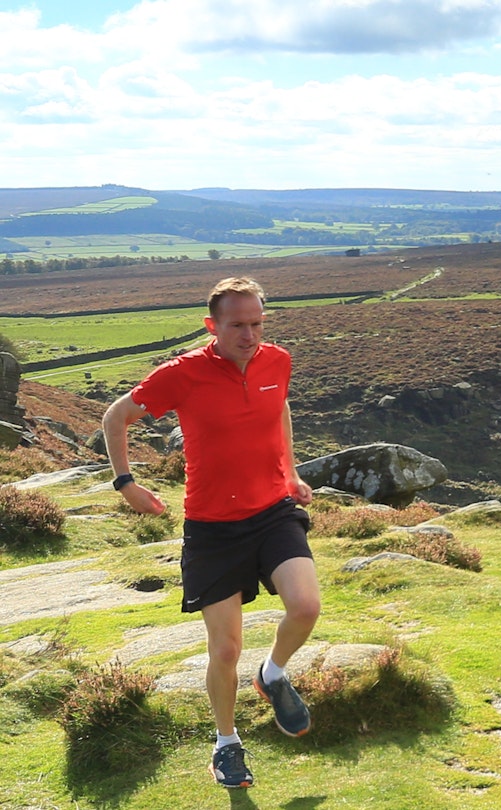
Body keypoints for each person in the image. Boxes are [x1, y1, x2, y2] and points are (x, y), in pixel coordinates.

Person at [102, 277, 320, 789]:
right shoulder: (183, 374)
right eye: (237, 325)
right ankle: (227, 744)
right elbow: (116, 417)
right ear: (212, 326)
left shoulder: (277, 361)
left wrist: (290, 470)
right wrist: (126, 483)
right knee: (224, 649)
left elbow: (279, 407)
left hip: (272, 511)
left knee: (306, 606)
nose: (250, 335)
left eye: (257, 324)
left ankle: (272, 674)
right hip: (213, 528)